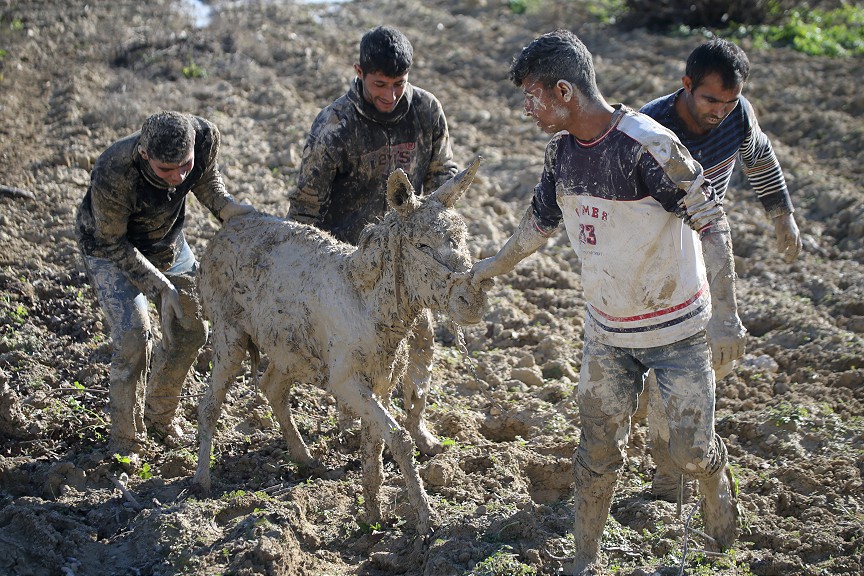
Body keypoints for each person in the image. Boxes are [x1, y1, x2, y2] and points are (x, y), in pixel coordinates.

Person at [471, 30, 745, 574]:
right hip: (607, 332)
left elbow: (712, 224)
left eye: (533, 95)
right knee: (596, 451)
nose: (528, 108)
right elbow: (538, 223)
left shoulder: (649, 145)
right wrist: (491, 267)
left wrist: (728, 315)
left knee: (689, 451)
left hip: (677, 329)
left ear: (565, 91)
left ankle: (714, 473)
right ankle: (584, 559)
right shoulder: (561, 155)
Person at [638, 37, 802, 502]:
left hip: (705, 248)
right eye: (711, 100)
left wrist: (781, 214)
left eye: (730, 102)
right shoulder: (652, 127)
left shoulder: (737, 115)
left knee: (717, 355)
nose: (721, 111)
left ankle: (663, 413)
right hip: (652, 254)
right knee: (675, 360)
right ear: (686, 85)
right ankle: (667, 470)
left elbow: (760, 156)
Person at [288, 25, 459, 456]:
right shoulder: (335, 125)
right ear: (359, 72)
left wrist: (434, 218)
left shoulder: (425, 111)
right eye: (380, 84)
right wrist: (306, 269)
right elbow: (307, 203)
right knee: (358, 352)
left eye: (398, 84)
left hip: (409, 257)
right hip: (351, 260)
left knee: (419, 340)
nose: (390, 95)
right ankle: (357, 426)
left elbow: (444, 173)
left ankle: (415, 424)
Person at [76, 111, 253, 454]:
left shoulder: (203, 138)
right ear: (144, 154)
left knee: (190, 329)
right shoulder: (114, 170)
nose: (177, 178)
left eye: (183, 166)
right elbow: (113, 243)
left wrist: (224, 206)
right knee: (133, 338)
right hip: (110, 249)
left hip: (166, 242)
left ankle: (160, 418)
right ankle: (125, 438)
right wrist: (161, 288)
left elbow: (204, 177)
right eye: (165, 171)